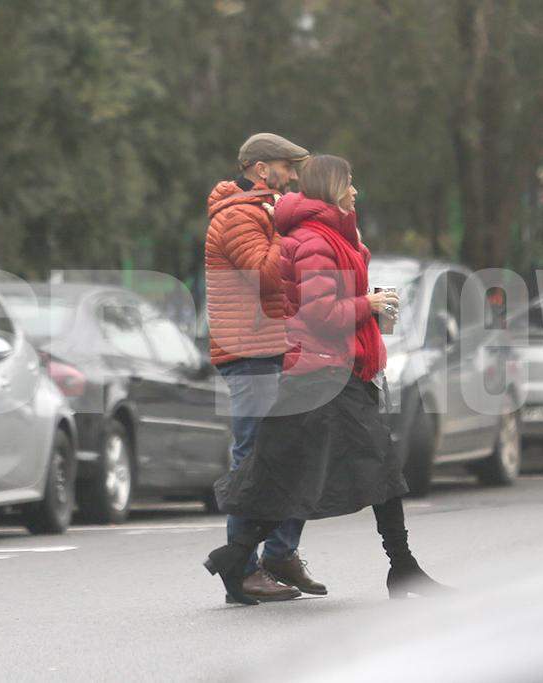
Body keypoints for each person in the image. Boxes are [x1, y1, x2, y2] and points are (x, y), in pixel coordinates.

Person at [205, 154, 449, 605]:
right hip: (324, 372)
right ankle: (403, 570)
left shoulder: (329, 234)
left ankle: (235, 555)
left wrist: (362, 286)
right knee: (378, 470)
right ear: (333, 185)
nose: (355, 190)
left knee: (290, 474)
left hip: (331, 370)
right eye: (349, 182)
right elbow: (320, 313)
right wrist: (367, 307)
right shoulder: (315, 240)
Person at [205, 133, 327, 602]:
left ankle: (277, 554)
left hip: (274, 347)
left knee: (295, 453)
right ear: (260, 169)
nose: (294, 176)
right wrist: (287, 228)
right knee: (255, 458)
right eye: (286, 167)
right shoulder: (239, 215)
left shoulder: (261, 212)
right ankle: (243, 568)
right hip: (249, 352)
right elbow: (267, 272)